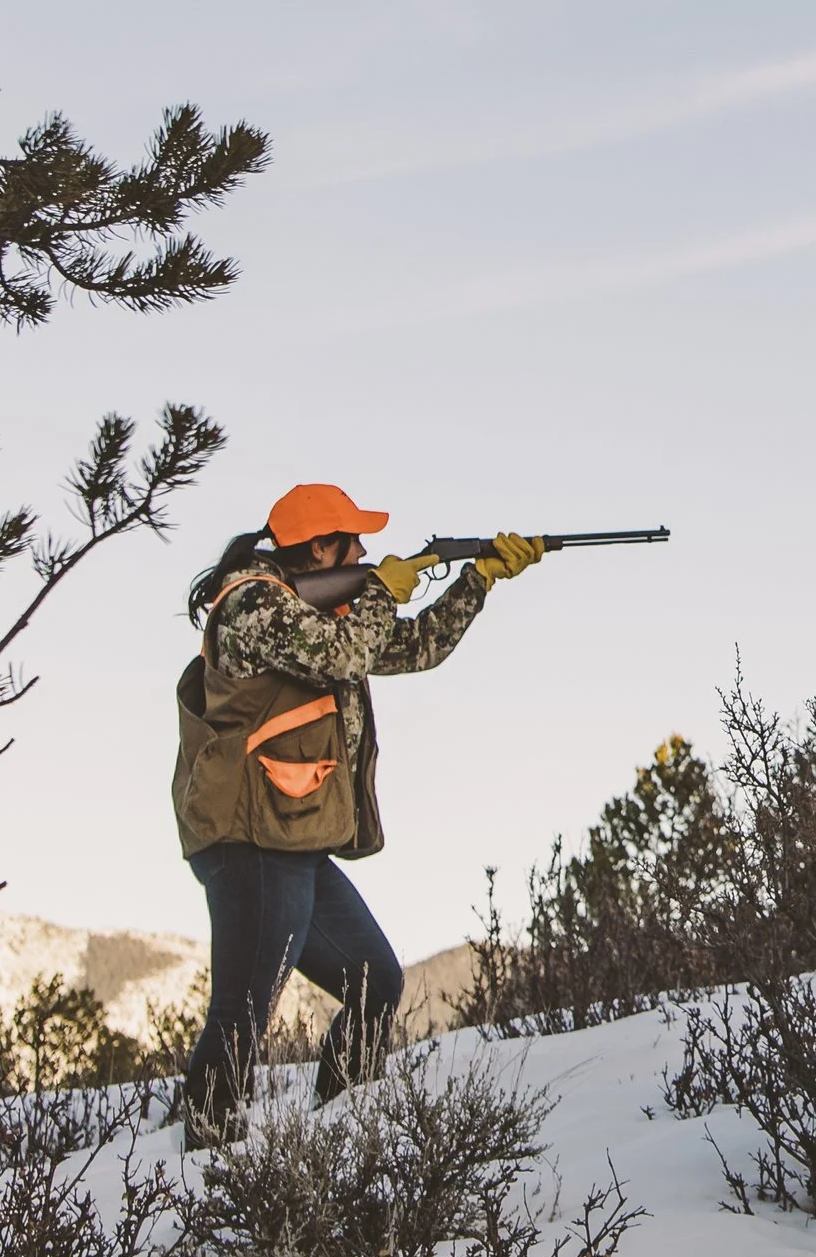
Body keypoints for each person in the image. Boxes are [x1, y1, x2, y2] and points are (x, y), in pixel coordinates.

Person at [171, 481, 541, 1143]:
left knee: (375, 980)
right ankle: (201, 1151)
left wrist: (478, 581)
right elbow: (345, 653)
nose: (367, 550)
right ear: (319, 549)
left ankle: (342, 1128)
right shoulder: (254, 605)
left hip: (294, 835)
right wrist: (380, 591)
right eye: (354, 542)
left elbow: (410, 648)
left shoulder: (314, 615)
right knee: (242, 1012)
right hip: (248, 837)